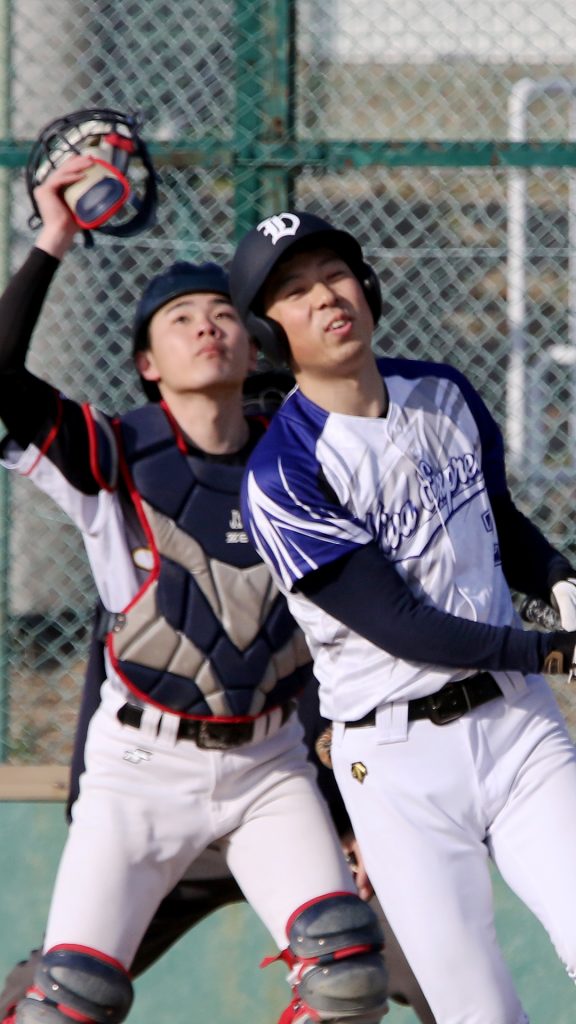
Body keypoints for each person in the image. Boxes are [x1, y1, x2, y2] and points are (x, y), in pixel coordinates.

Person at [0, 163, 389, 1024]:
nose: (207, 326)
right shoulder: (112, 455)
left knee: (347, 976)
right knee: (65, 1004)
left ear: (253, 346)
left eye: (223, 314)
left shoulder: (306, 457)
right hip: (140, 772)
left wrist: (349, 808)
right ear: (147, 363)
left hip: (269, 766)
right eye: (180, 319)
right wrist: (54, 237)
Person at [229, 209, 576, 1024]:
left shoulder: (441, 391)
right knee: (478, 1012)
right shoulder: (284, 473)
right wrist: (555, 651)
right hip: (398, 763)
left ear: (368, 286)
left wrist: (562, 580)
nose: (326, 297)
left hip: (520, 729)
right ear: (269, 332)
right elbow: (399, 624)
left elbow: (498, 521)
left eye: (335, 275)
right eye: (294, 291)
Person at [0, 602, 436, 1024]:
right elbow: (109, 670)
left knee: (372, 975)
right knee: (63, 992)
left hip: (300, 808)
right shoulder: (154, 557)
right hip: (158, 799)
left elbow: (376, 677)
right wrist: (92, 818)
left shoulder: (325, 556)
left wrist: (359, 816)